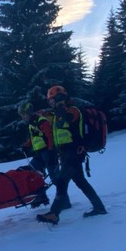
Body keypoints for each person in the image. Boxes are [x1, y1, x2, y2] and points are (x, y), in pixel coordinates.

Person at [36, 85, 107, 224]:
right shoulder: (59, 113)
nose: (50, 103)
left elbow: (68, 118)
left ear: (58, 98)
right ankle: (99, 207)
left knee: (62, 182)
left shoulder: (73, 110)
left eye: (51, 100)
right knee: (80, 182)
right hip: (66, 153)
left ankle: (54, 213)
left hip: (73, 152)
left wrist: (60, 105)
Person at [18, 101, 69, 210]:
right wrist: (26, 145)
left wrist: (51, 151)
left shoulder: (41, 121)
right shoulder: (32, 123)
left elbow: (50, 136)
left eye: (23, 114)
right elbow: (34, 137)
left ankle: (65, 201)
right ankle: (40, 198)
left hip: (49, 152)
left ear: (29, 113)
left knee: (55, 178)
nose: (22, 117)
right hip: (40, 153)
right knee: (32, 173)